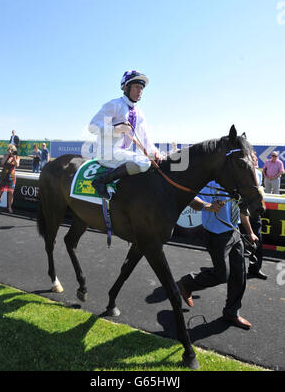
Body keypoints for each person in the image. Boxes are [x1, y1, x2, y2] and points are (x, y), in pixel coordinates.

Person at [177, 180, 258, 330]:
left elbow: (242, 208)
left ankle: (231, 313)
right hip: (216, 235)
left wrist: (250, 232)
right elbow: (191, 199)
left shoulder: (236, 179)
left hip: (234, 232)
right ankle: (187, 283)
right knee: (222, 275)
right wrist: (208, 206)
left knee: (239, 275)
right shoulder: (210, 179)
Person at [88, 70, 162, 199]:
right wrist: (115, 128)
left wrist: (154, 151)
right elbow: (92, 126)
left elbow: (145, 138)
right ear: (126, 87)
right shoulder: (114, 105)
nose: (140, 91)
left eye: (142, 88)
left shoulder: (139, 113)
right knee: (144, 162)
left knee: (157, 160)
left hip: (122, 155)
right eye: (137, 87)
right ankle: (101, 181)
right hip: (107, 153)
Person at [241, 151, 267, 280]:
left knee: (258, 241)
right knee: (238, 245)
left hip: (254, 213)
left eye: (256, 157)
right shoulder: (239, 173)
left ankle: (255, 269)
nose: (256, 159)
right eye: (253, 157)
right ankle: (230, 272)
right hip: (240, 213)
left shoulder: (258, 173)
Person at [0, 144, 20, 213]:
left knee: (11, 192)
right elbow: (2, 163)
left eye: (12, 150)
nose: (11, 151)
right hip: (4, 175)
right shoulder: (5, 155)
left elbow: (17, 165)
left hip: (11, 176)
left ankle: (9, 207)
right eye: (9, 149)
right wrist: (8, 155)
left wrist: (13, 157)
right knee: (0, 191)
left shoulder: (17, 157)